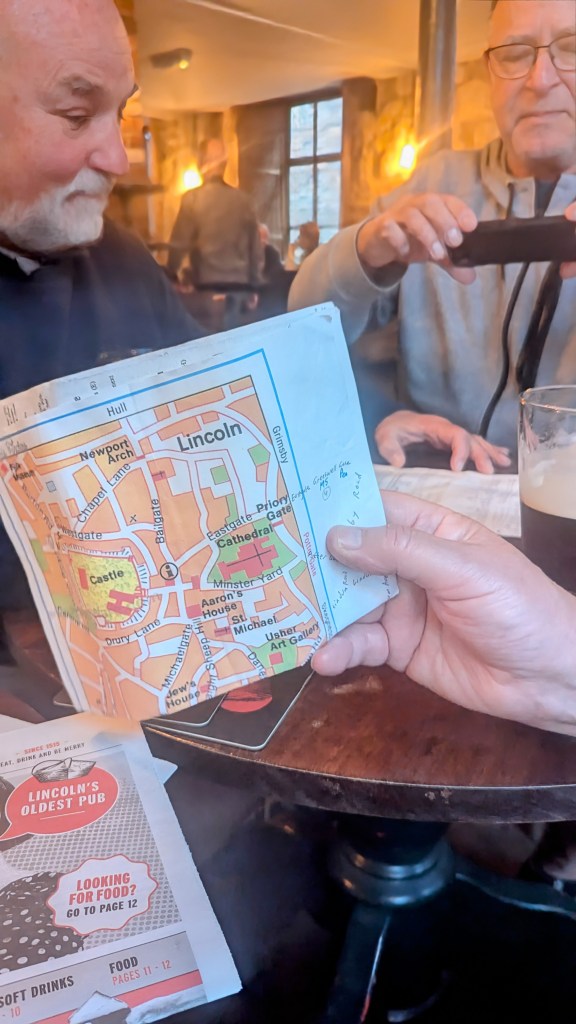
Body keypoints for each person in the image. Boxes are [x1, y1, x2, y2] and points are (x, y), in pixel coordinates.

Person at [289, 0, 576, 473]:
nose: (539, 80)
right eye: (513, 54)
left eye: (571, 48)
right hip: (437, 481)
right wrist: (367, 251)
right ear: (489, 71)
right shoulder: (433, 184)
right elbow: (303, 324)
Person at [0, 0, 205, 610]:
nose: (118, 159)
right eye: (76, 115)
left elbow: (211, 392)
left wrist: (343, 420)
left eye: (120, 114)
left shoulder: (124, 258)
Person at [167, 138, 263, 330]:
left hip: (206, 292)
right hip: (240, 290)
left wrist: (171, 277)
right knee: (238, 343)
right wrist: (254, 286)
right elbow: (255, 248)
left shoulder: (192, 199)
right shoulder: (244, 201)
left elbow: (178, 244)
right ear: (224, 164)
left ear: (201, 162)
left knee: (211, 344)